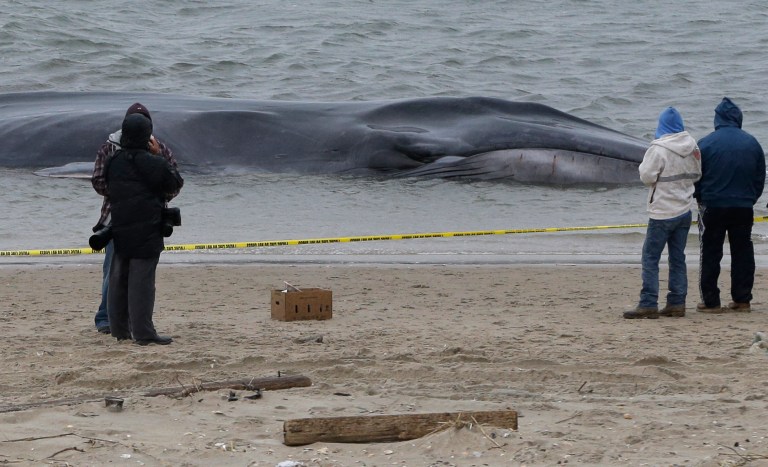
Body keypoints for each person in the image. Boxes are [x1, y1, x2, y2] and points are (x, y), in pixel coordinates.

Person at [91, 103, 181, 334]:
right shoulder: (109, 149)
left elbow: (173, 185)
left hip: (143, 219)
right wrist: (129, 193)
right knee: (115, 273)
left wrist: (156, 156)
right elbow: (99, 182)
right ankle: (107, 320)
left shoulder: (159, 149)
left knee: (127, 274)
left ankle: (123, 325)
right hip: (117, 219)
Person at [624, 107, 702, 319]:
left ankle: (648, 302)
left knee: (650, 258)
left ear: (662, 125)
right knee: (677, 258)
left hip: (662, 212)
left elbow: (646, 176)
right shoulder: (693, 146)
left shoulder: (657, 149)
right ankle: (677, 302)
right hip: (684, 210)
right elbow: (697, 174)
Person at [694, 97, 765, 314]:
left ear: (717, 119)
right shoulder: (752, 143)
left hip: (713, 205)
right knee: (742, 251)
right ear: (738, 119)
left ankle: (711, 301)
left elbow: (696, 176)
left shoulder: (705, 143)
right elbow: (760, 177)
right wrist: (750, 199)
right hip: (743, 206)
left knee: (711, 251)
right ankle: (742, 299)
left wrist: (700, 197)